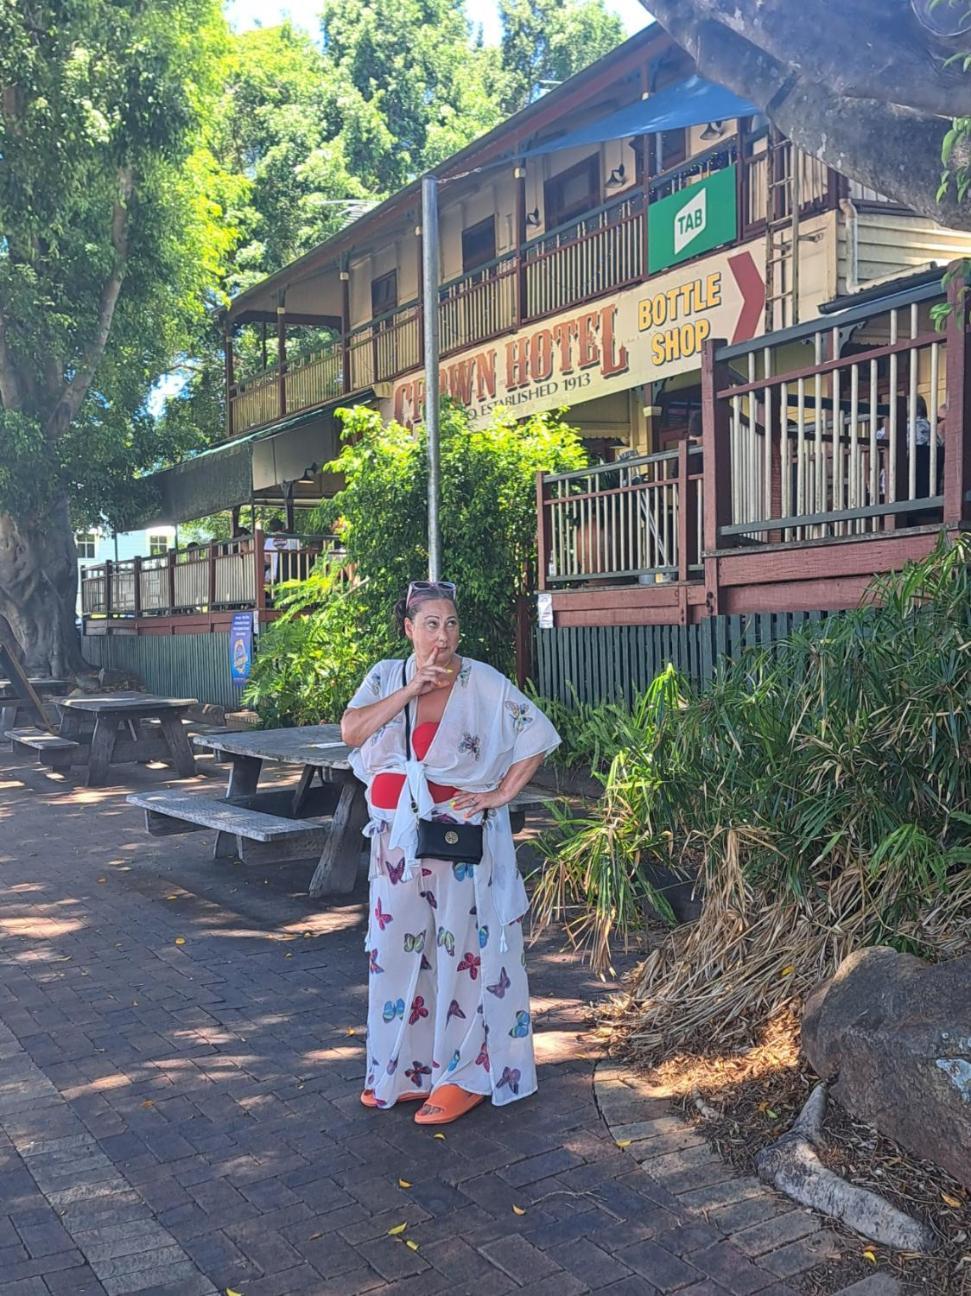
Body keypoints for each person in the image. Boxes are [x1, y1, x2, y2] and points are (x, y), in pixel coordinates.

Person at [341, 580, 560, 1125]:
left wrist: (500, 794)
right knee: (394, 951)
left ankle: (464, 1074)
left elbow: (537, 732)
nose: (443, 635)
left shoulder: (481, 682)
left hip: (459, 838)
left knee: (461, 953)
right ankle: (402, 1069)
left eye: (452, 623)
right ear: (409, 629)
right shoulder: (387, 676)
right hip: (397, 842)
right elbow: (352, 732)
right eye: (432, 624)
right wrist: (410, 690)